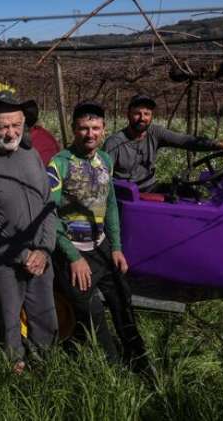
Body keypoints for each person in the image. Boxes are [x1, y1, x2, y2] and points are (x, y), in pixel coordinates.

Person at [47, 102, 149, 370]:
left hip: (102, 246)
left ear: (104, 130)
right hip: (73, 251)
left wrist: (116, 247)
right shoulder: (59, 164)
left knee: (122, 302)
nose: (89, 134)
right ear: (74, 129)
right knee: (92, 314)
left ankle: (140, 360)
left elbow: (110, 203)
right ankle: (113, 370)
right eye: (83, 128)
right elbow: (49, 214)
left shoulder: (104, 160)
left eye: (95, 128)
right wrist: (73, 257)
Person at [0, 91, 58, 373]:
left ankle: (44, 367)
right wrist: (22, 254)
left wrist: (44, 249)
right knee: (9, 322)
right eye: (3, 126)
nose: (11, 132)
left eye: (16, 125)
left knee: (46, 318)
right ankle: (13, 374)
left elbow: (48, 205)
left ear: (24, 124)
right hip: (4, 261)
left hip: (41, 257)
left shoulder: (32, 155)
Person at [103, 94, 223, 192]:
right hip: (126, 195)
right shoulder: (115, 142)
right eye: (137, 113)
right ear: (128, 114)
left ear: (151, 116)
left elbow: (186, 141)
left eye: (147, 114)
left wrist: (221, 145)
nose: (142, 118)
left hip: (150, 187)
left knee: (191, 194)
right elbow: (102, 178)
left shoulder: (155, 133)